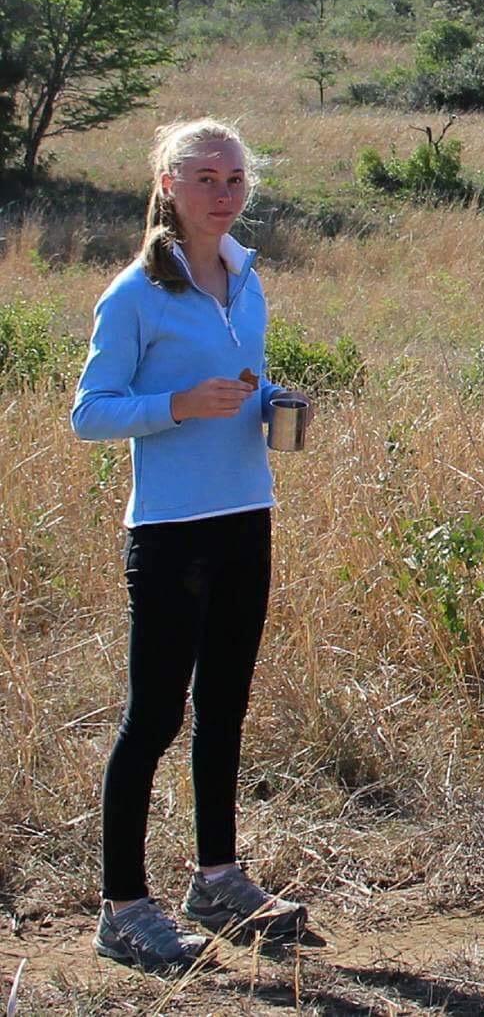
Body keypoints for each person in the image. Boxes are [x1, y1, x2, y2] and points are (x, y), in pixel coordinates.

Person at [72, 119, 310, 973]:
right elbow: (90, 412)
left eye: (235, 176)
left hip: (247, 512)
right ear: (168, 184)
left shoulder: (246, 278)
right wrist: (176, 405)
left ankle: (217, 880)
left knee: (225, 711)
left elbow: (241, 386)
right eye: (204, 176)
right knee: (152, 719)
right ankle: (124, 906)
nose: (222, 191)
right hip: (170, 531)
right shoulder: (135, 291)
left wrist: (273, 398)